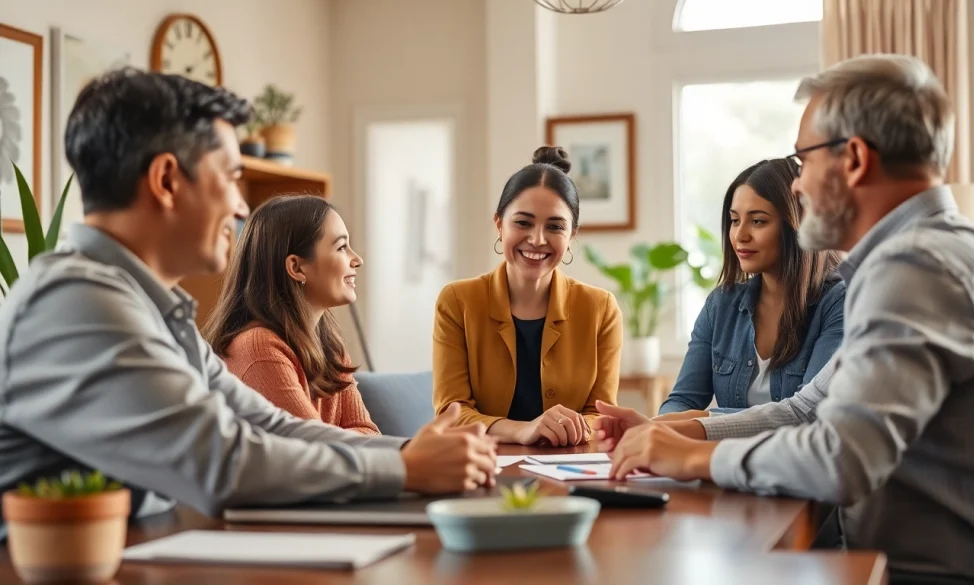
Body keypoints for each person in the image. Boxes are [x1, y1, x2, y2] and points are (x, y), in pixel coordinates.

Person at [0, 68, 496, 535]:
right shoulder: (76, 303)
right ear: (167, 180)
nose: (241, 206)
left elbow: (269, 425)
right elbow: (220, 461)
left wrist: (415, 451)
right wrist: (402, 467)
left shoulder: (149, 308)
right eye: (231, 177)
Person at [593, 54, 974, 582]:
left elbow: (840, 456)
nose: (797, 185)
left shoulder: (917, 267)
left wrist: (690, 461)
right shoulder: (929, 254)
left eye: (806, 159)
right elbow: (804, 411)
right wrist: (682, 435)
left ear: (856, 159)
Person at [432, 146, 623, 447]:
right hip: (483, 464)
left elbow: (601, 414)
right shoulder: (458, 301)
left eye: (555, 227)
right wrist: (522, 430)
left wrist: (569, 428)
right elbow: (451, 412)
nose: (537, 239)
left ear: (572, 235)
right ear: (499, 224)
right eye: (523, 222)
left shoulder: (601, 308)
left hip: (570, 466)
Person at [659, 158, 844, 416]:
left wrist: (703, 420)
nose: (740, 235)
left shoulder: (839, 303)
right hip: (723, 457)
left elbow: (809, 416)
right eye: (735, 220)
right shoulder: (720, 305)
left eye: (757, 221)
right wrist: (654, 427)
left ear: (796, 224)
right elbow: (683, 400)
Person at [204, 195, 380, 435]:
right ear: (296, 267)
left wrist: (343, 442)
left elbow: (369, 432)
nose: (357, 259)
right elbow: (316, 450)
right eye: (341, 247)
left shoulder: (329, 346)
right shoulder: (258, 349)